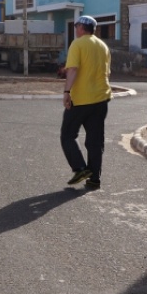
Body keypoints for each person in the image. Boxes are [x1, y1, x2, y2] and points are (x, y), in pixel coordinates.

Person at [60, 15, 111, 189]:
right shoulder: (103, 46)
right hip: (101, 99)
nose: (75, 29)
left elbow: (73, 69)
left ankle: (80, 168)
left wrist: (67, 92)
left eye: (76, 26)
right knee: (95, 141)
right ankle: (94, 179)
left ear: (82, 27)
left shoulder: (78, 44)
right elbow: (107, 72)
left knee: (67, 135)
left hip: (81, 100)